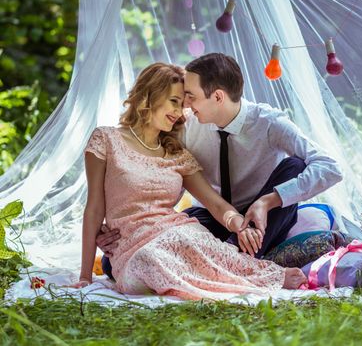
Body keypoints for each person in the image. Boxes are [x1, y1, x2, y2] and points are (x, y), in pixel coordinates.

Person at [73, 63, 306, 300]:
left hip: (175, 232)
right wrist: (85, 276)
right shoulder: (106, 139)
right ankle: (243, 273)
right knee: (151, 258)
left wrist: (240, 225)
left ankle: (262, 274)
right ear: (150, 95)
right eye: (174, 101)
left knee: (193, 239)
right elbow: (94, 208)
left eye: (183, 104)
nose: (180, 112)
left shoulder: (177, 153)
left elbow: (215, 204)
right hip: (133, 245)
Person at [98, 53, 343, 277]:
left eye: (191, 96)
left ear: (217, 97)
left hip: (265, 217)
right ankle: (235, 258)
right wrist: (129, 228)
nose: (186, 104)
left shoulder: (269, 123)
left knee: (295, 165)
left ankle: (236, 261)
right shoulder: (188, 128)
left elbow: (330, 167)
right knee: (114, 262)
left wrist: (267, 201)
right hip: (218, 215)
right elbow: (169, 181)